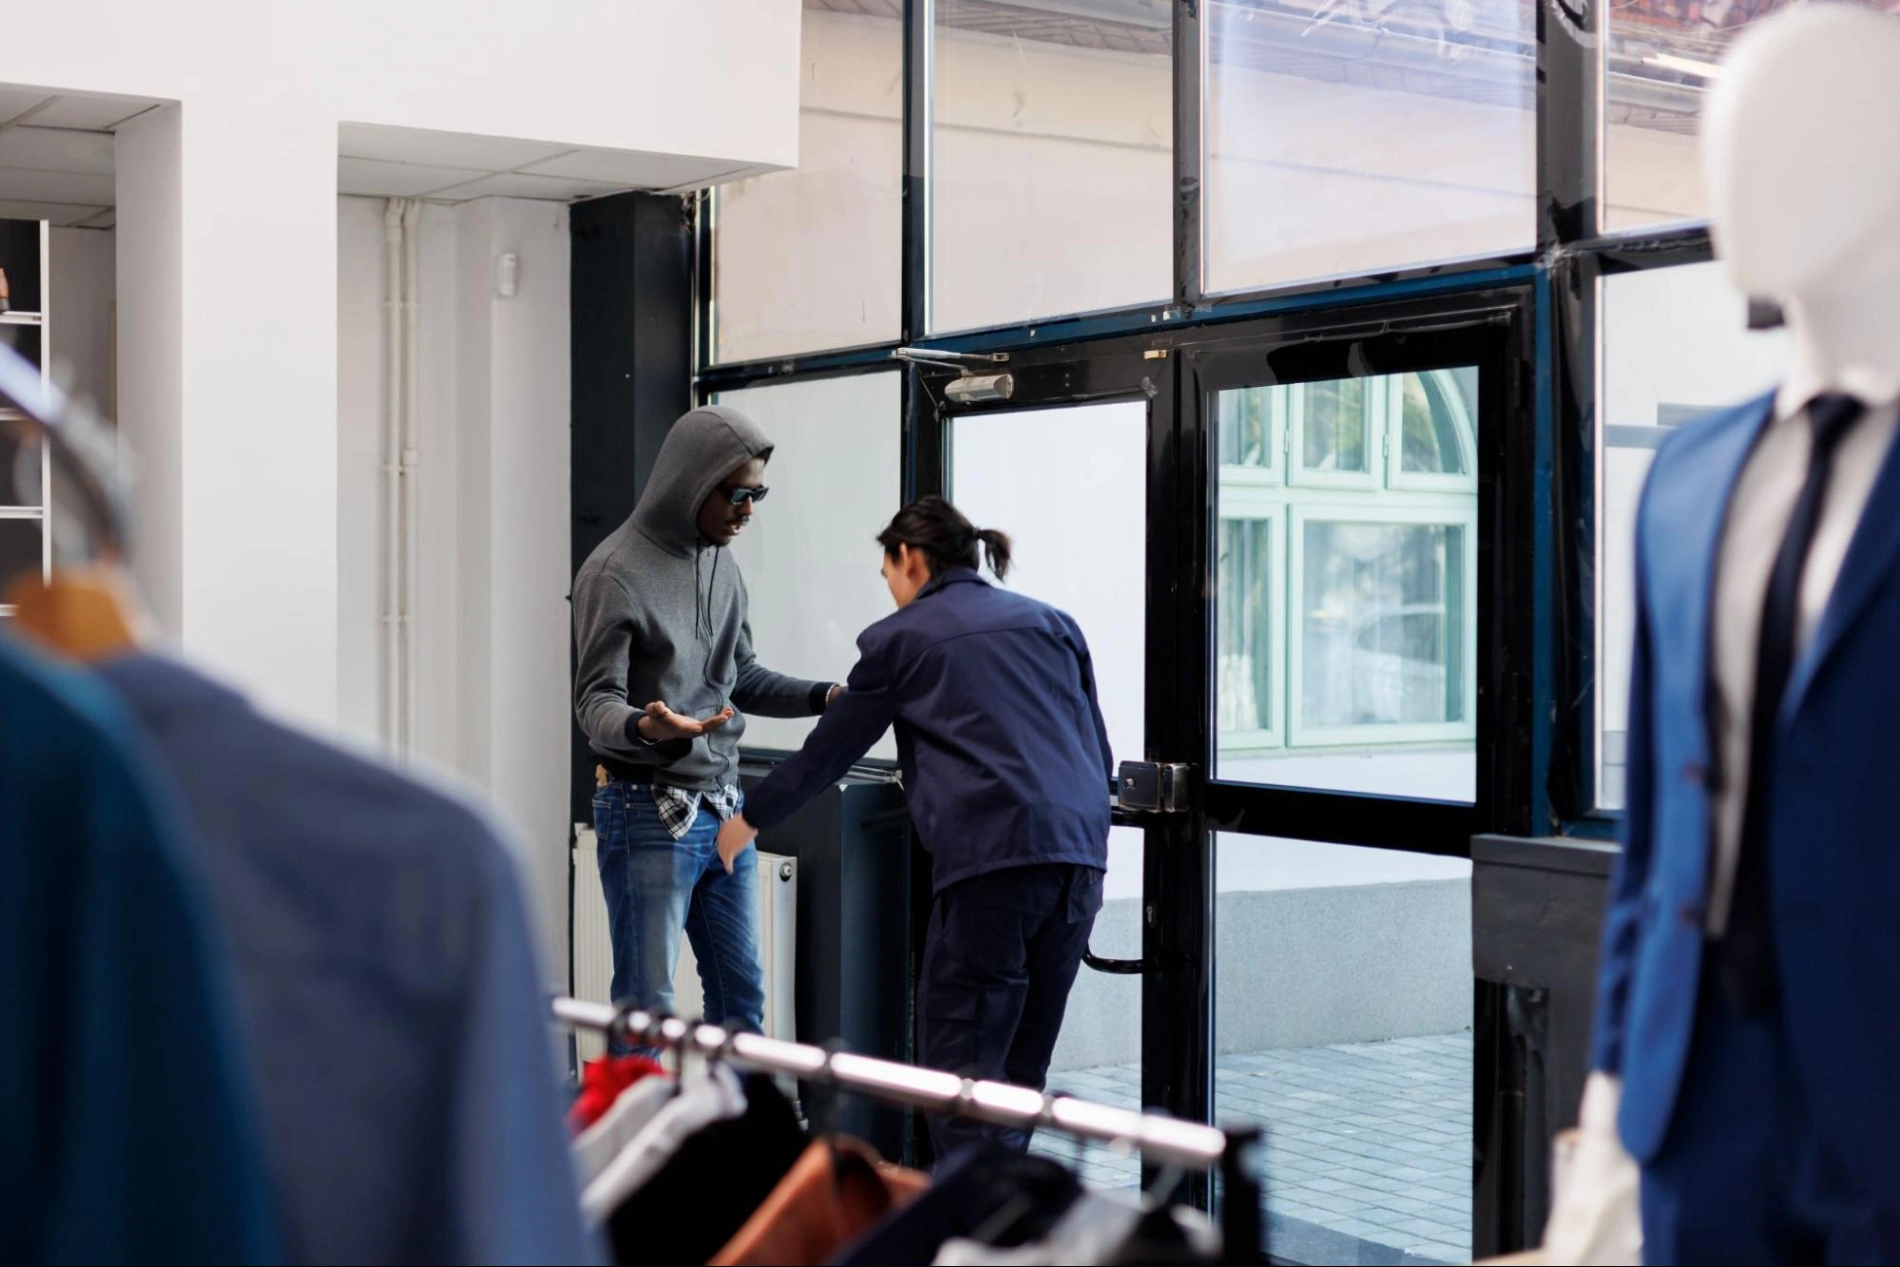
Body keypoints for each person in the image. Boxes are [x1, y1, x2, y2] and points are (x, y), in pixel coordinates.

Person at [716, 495, 1112, 1157]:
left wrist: (748, 819)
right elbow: (1093, 748)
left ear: (909, 558)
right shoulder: (1052, 623)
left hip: (992, 872)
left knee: (958, 1079)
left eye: (887, 573)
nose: (891, 590)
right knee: (1019, 1074)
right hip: (1079, 866)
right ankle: (1003, 1231)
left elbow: (827, 754)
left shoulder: (900, 639)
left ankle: (965, 1235)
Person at [573, 404, 841, 1056]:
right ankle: (643, 1152)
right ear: (691, 482)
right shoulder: (615, 573)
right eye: (737, 494)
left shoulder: (723, 565)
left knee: (742, 996)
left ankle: (734, 1147)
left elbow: (740, 675)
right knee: (648, 1011)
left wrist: (824, 695)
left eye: (759, 494)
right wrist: (645, 724)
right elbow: (593, 703)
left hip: (724, 810)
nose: (748, 510)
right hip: (644, 808)